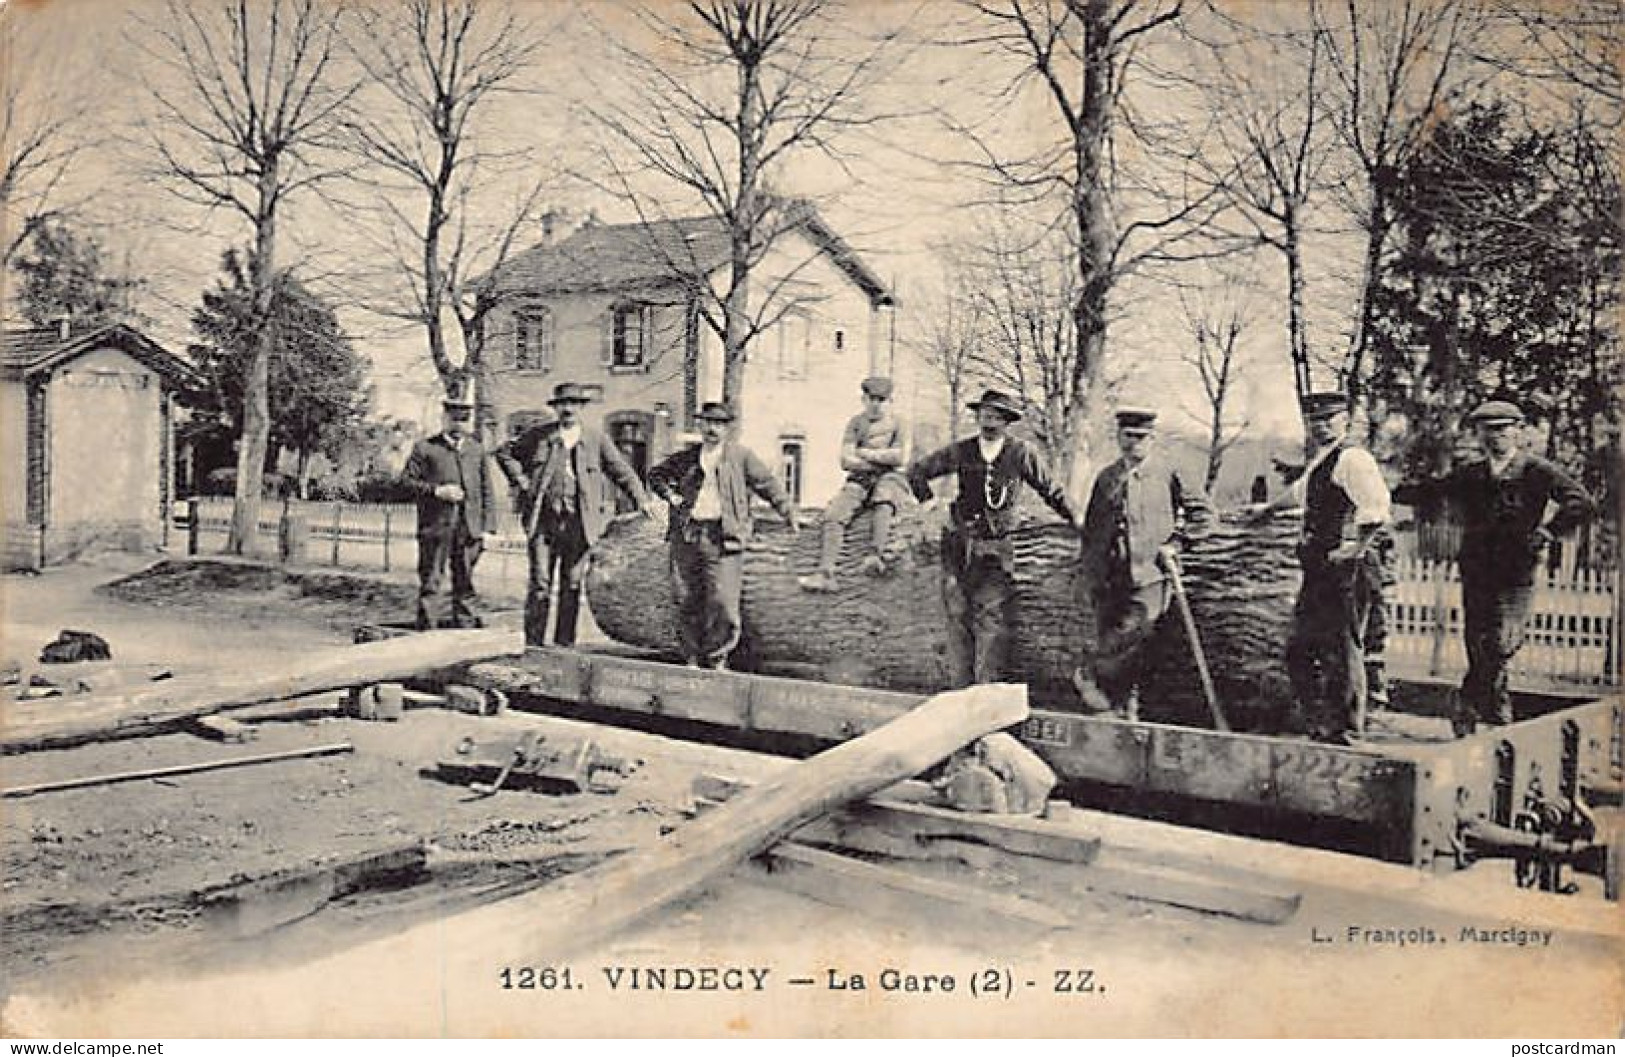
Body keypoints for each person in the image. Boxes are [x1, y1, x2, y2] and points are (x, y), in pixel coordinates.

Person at [1392, 398, 1595, 735]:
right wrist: (1387, 491)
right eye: (1487, 430)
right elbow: (1433, 490)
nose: (1494, 437)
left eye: (1502, 430)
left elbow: (1581, 502)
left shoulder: (1537, 471)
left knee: (1502, 641)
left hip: (1517, 571)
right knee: (1478, 640)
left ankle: (1470, 703)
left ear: (1518, 432)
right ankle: (1492, 713)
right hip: (1477, 570)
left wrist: (1547, 531)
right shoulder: (1471, 473)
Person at [907, 388, 1083, 687]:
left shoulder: (1020, 452)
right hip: (958, 544)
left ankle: (986, 692)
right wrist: (932, 506)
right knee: (957, 616)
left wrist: (1077, 518)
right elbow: (917, 472)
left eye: (996, 414)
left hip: (997, 546)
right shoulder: (962, 450)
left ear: (1007, 420)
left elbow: (1050, 489)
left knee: (992, 617)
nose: (988, 419)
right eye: (984, 413)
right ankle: (960, 692)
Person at [1075, 408, 1212, 718]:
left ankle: (1094, 682)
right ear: (1118, 437)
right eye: (1127, 436)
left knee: (1129, 639)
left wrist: (1178, 543)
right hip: (1109, 580)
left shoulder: (1168, 471)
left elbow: (1204, 515)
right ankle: (1123, 714)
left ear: (1152, 439)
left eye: (1140, 437)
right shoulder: (1106, 477)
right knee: (1123, 645)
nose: (1133, 443)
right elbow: (1092, 531)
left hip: (1150, 577)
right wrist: (1088, 573)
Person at [494, 382, 653, 649]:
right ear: (556, 409)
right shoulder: (539, 436)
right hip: (544, 523)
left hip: (579, 524)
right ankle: (533, 643)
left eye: (573, 404)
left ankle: (564, 643)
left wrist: (642, 499)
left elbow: (621, 471)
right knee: (541, 583)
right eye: (562, 405)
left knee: (572, 584)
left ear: (580, 408)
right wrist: (521, 481)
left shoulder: (595, 439)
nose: (567, 409)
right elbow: (504, 453)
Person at [646, 401, 803, 669]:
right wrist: (671, 496)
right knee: (686, 597)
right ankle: (692, 657)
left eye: (718, 424)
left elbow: (767, 484)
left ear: (727, 429)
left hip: (724, 537)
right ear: (700, 426)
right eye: (707, 423)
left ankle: (718, 657)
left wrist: (788, 511)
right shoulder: (687, 458)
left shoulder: (741, 457)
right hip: (688, 534)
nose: (712, 429)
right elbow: (655, 474)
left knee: (724, 602)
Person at [1281, 391, 1392, 744]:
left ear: (1345, 420)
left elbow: (1376, 509)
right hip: (1320, 568)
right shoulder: (1322, 461)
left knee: (1344, 648)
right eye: (1315, 420)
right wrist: (1262, 512)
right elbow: (1296, 496)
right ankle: (1318, 718)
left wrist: (1355, 547)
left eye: (1330, 418)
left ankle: (1346, 730)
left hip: (1348, 569)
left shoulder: (1353, 458)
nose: (1322, 425)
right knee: (1300, 646)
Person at [799, 376, 911, 592]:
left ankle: (875, 555)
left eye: (882, 399)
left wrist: (865, 453)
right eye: (871, 399)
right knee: (834, 513)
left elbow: (900, 458)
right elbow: (845, 460)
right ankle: (826, 573)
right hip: (860, 479)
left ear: (890, 401)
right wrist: (878, 459)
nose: (876, 404)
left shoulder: (899, 423)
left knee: (884, 498)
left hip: (890, 477)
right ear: (864, 399)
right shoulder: (856, 423)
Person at [403, 389, 497, 630]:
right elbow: (406, 483)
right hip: (436, 527)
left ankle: (464, 632)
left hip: (469, 529)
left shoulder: (476, 450)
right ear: (444, 419)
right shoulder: (425, 448)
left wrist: (489, 529)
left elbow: (487, 491)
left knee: (465, 581)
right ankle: (427, 631)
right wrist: (437, 491)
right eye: (454, 418)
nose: (458, 424)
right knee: (432, 580)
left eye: (464, 419)